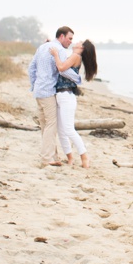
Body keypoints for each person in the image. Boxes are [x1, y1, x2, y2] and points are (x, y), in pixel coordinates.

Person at [27, 26, 76, 166]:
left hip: (38, 91)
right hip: (48, 91)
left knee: (45, 125)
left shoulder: (42, 47)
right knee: (51, 125)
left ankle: (52, 156)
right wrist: (77, 78)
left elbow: (31, 68)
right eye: (69, 38)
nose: (71, 42)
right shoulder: (59, 50)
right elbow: (63, 70)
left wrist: (33, 85)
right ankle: (46, 159)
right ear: (61, 36)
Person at [50, 39, 98, 168]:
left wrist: (55, 54)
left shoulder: (76, 56)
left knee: (69, 130)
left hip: (66, 96)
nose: (76, 43)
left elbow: (60, 67)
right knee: (61, 130)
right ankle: (70, 157)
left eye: (79, 43)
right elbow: (62, 63)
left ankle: (84, 156)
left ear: (82, 48)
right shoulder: (72, 56)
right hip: (61, 95)